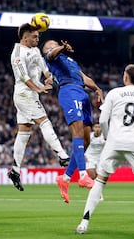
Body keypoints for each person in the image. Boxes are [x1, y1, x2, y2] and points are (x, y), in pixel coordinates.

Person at [75, 64, 134, 234]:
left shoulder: (114, 93)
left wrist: (107, 138)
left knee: (100, 181)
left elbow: (103, 121)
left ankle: (84, 223)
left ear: (125, 78)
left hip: (114, 142)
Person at [9, 23, 70, 191]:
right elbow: (23, 76)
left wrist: (48, 78)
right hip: (24, 94)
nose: (38, 39)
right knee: (45, 122)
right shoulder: (17, 53)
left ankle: (15, 169)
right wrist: (39, 88)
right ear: (25, 37)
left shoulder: (35, 51)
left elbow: (44, 69)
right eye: (35, 36)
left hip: (30, 95)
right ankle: (62, 156)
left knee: (24, 133)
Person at [42, 40, 104, 203]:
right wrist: (61, 47)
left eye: (56, 44)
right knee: (76, 130)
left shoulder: (70, 61)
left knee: (86, 140)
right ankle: (83, 175)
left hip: (82, 93)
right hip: (69, 90)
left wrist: (97, 89)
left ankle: (66, 178)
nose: (54, 46)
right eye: (52, 44)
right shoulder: (49, 57)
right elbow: (52, 53)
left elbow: (84, 77)